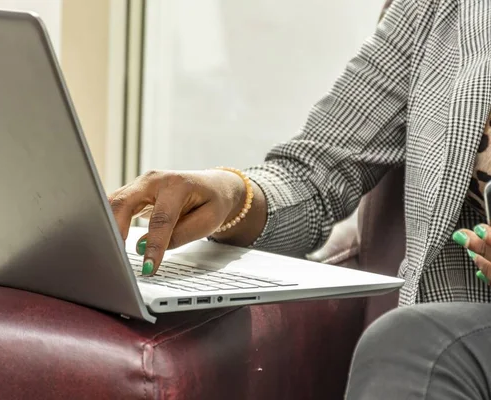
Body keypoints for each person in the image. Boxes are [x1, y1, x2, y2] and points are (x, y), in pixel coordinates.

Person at [109, 0, 491, 397]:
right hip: (462, 337)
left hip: (434, 343)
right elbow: (316, 171)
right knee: (414, 345)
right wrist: (228, 194)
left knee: (412, 344)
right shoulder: (442, 10)